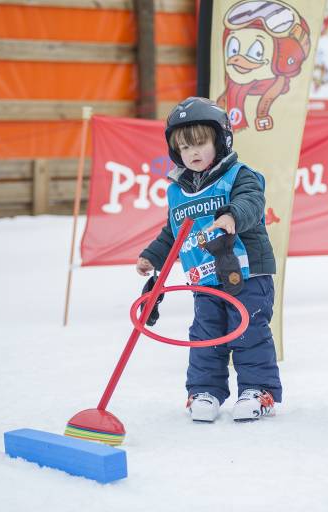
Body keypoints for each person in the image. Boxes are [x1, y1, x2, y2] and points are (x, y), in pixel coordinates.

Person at [136, 97, 281, 423]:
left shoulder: (240, 176)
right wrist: (152, 256)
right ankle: (205, 391)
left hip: (246, 271)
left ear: (221, 140)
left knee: (248, 330)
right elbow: (173, 232)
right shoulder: (178, 190)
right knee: (205, 333)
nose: (194, 153)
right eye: (185, 147)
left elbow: (251, 203)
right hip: (204, 277)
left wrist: (231, 216)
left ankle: (259, 390)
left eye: (201, 143)